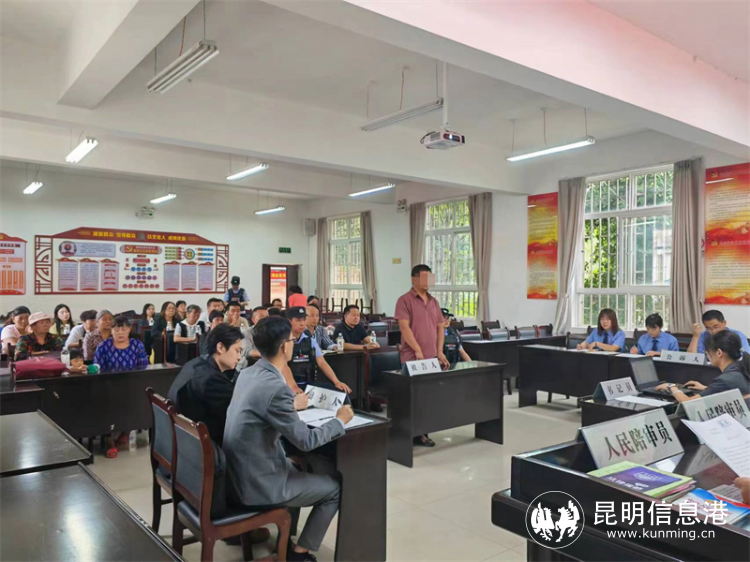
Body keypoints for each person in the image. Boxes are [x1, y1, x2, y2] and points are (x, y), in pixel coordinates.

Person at [224, 316, 353, 562]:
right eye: (292, 340)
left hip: (238, 472)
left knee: (298, 463)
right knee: (334, 489)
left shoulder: (248, 373)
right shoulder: (277, 388)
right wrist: (339, 421)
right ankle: (299, 554)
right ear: (284, 346)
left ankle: (286, 538)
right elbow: (306, 441)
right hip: (258, 483)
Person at [395, 264, 448, 448]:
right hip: (412, 358)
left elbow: (440, 327)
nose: (428, 281)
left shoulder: (434, 302)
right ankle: (404, 434)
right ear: (414, 279)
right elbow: (404, 328)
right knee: (410, 397)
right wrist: (417, 350)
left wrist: (439, 351)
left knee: (426, 398)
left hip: (431, 358)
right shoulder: (404, 300)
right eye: (424, 277)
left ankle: (422, 433)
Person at [168, 324, 243, 444]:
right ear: (221, 347)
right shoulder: (211, 380)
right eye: (237, 351)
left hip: (183, 436)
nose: (239, 357)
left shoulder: (195, 363)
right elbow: (237, 412)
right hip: (202, 443)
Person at [655, 331, 750, 401]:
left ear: (719, 353)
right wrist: (706, 388)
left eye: (707, 352)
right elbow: (729, 390)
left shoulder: (726, 379)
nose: (707, 355)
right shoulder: (742, 368)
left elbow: (688, 402)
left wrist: (671, 387)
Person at [284, 307, 352, 395]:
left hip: (308, 384)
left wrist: (336, 381)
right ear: (289, 321)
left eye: (304, 320)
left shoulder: (310, 340)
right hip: (287, 385)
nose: (302, 324)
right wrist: (293, 386)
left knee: (341, 392)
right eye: (298, 320)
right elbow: (283, 366)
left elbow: (321, 362)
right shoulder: (283, 339)